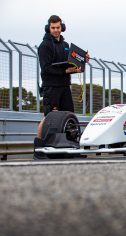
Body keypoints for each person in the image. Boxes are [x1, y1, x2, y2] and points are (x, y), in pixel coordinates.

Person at [34, 15, 89, 157]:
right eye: (53, 28)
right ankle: (38, 149)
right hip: (51, 87)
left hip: (65, 86)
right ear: (48, 28)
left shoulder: (65, 46)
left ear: (62, 27)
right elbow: (45, 68)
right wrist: (65, 70)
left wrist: (82, 61)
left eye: (58, 27)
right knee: (48, 117)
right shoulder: (44, 46)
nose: (56, 30)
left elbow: (71, 63)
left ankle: (71, 148)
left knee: (69, 115)